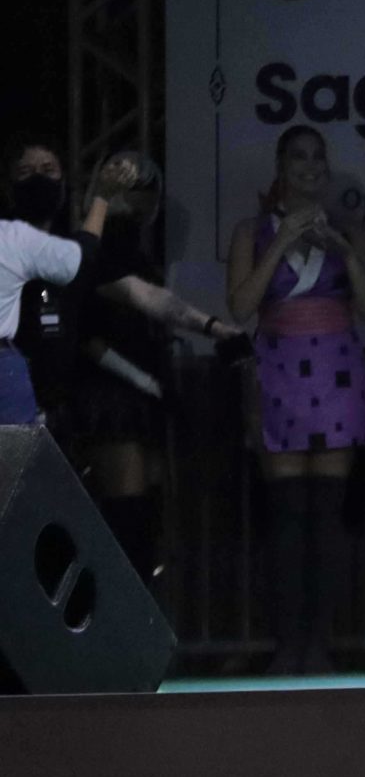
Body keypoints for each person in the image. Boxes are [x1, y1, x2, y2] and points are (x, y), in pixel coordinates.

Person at [227, 126, 365, 672]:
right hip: (279, 371)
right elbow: (241, 306)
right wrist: (282, 240)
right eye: (299, 156)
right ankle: (287, 644)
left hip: (336, 373)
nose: (310, 166)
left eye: (319, 157)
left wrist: (343, 250)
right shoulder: (252, 230)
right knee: (287, 516)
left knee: (327, 516)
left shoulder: (347, 230)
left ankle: (320, 644)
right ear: (281, 166)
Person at [49, 152, 246, 578]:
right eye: (131, 190)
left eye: (146, 191)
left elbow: (150, 302)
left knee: (144, 516)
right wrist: (207, 331)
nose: (141, 202)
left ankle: (136, 601)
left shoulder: (132, 253)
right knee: (127, 517)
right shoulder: (93, 252)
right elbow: (117, 319)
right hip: (110, 396)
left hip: (136, 391)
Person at [1, 142, 117, 427]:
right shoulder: (13, 239)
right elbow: (85, 254)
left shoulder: (52, 247)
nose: (38, 179)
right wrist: (103, 196)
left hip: (51, 406)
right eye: (26, 171)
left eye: (48, 170)